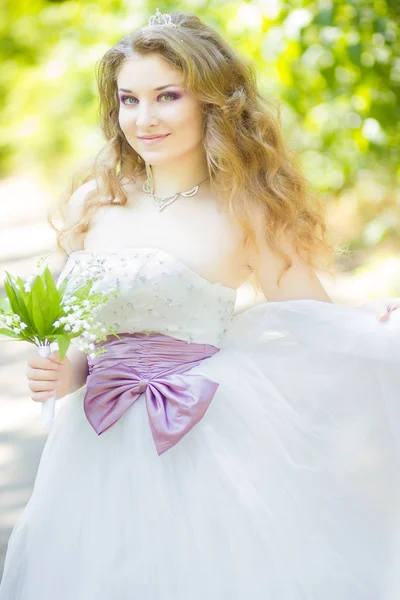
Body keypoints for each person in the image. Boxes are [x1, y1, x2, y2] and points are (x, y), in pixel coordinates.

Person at [1, 9, 400, 600]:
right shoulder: (96, 201)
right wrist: (64, 373)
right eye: (129, 100)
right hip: (95, 446)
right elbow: (79, 341)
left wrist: (376, 322)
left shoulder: (246, 207)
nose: (145, 118)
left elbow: (312, 319)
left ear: (212, 101)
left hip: (207, 435)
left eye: (167, 95)